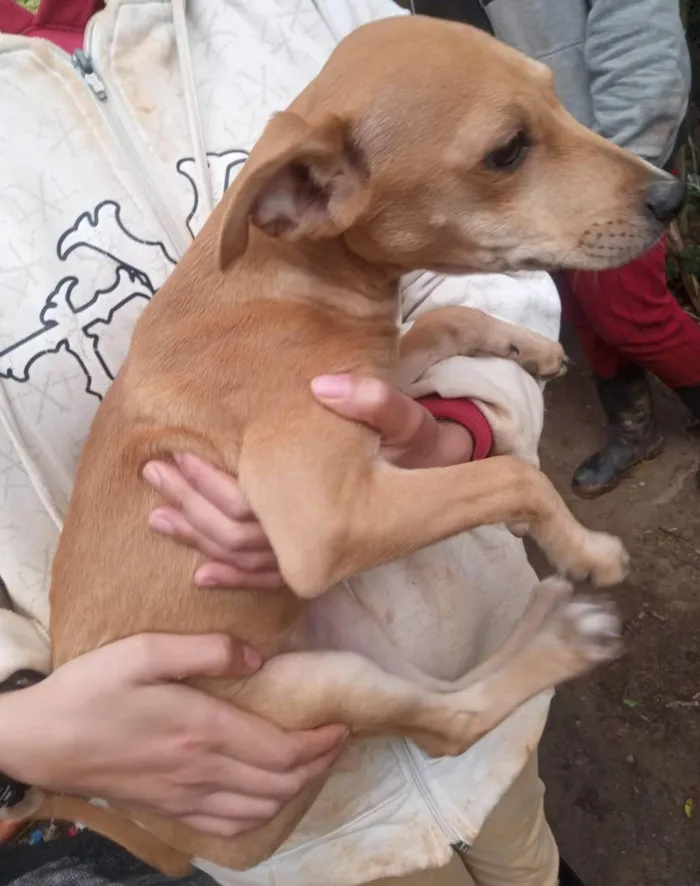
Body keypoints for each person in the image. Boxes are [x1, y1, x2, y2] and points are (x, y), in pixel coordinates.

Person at [0, 1, 580, 884]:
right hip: (254, 790)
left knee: (528, 859)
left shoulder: (305, 8)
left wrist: (467, 423)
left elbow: (501, 247)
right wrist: (14, 723)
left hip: (478, 664)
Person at [417, 0, 695, 498]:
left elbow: (638, 26)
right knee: (586, 310)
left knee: (630, 315)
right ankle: (636, 428)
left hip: (607, 164)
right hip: (534, 187)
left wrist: (623, 169)